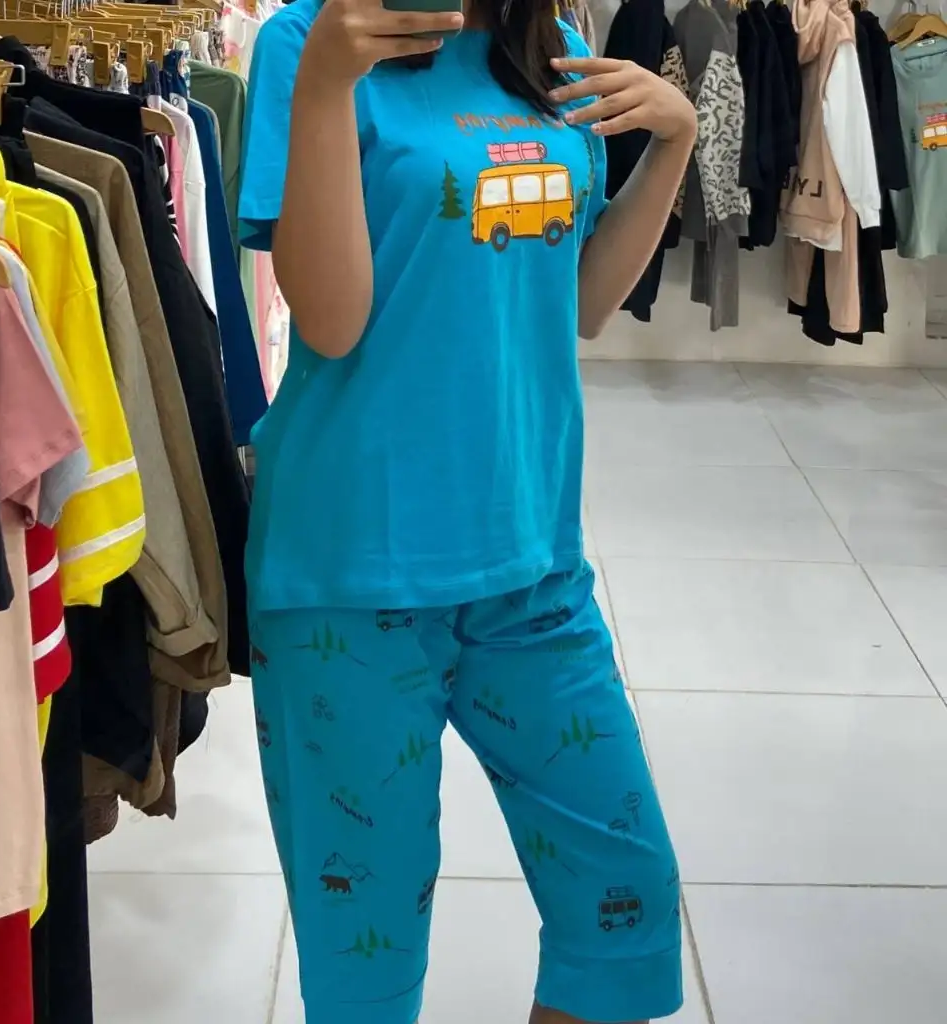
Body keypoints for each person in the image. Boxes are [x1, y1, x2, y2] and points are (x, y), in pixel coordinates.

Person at [238, 0, 695, 1018]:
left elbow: (581, 303)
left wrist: (672, 144)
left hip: (533, 565)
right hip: (350, 574)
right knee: (367, 967)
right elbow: (331, 319)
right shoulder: (308, 40)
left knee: (623, 906)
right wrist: (326, 84)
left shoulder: (551, 49)